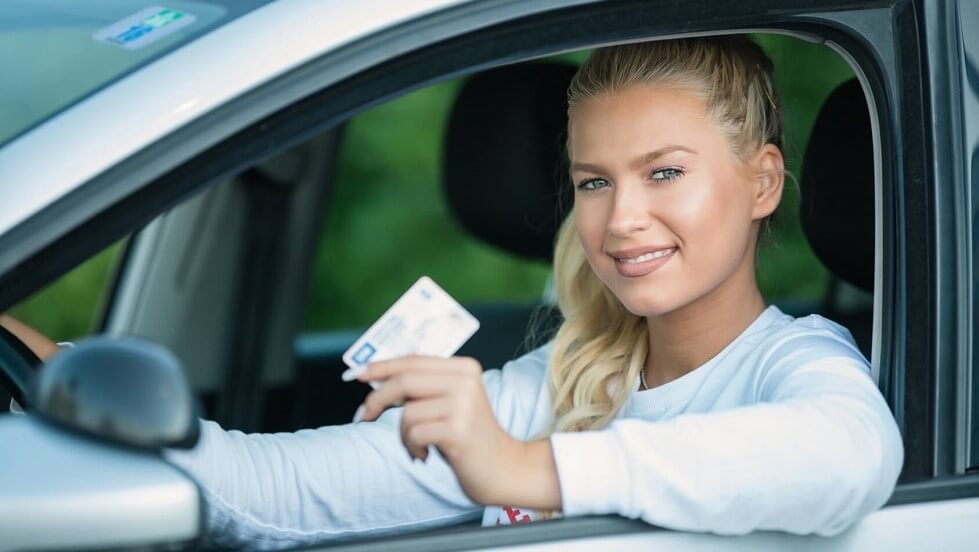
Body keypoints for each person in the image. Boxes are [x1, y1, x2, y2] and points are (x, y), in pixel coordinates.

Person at [2, 35, 903, 549]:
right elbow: (268, 493)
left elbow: (850, 457)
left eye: (663, 172)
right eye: (593, 182)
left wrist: (523, 472)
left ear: (761, 183)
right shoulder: (556, 384)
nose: (622, 218)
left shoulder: (796, 364)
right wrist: (55, 371)